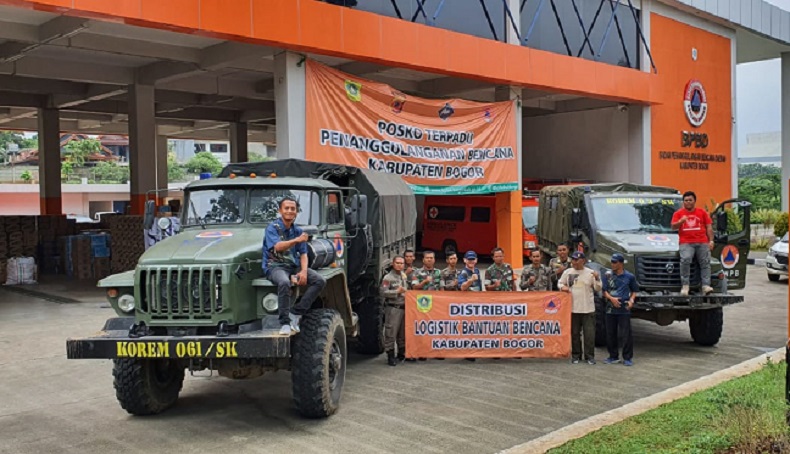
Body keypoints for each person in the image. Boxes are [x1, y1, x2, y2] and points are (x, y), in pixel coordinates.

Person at [263, 196, 327, 336]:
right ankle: (285, 322)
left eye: (293, 209)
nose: (290, 211)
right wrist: (297, 240)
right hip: (275, 267)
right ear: (280, 211)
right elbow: (278, 247)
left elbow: (303, 253)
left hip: (293, 266)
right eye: (286, 208)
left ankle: (296, 312)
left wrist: (303, 271)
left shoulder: (297, 230)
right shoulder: (272, 228)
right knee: (284, 282)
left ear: (296, 212)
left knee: (319, 280)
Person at [558, 251, 602, 365]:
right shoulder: (568, 272)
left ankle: (590, 356)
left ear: (583, 261)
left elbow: (598, 288)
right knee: (575, 334)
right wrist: (563, 287)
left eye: (577, 260)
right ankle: (576, 355)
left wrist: (597, 278)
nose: (574, 262)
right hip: (573, 308)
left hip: (588, 309)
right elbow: (560, 283)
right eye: (573, 260)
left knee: (589, 335)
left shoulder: (590, 273)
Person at [671, 191, 714, 296]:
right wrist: (681, 221)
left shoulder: (702, 212)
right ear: (683, 202)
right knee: (685, 260)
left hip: (702, 241)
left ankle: (706, 286)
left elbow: (709, 227)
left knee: (705, 262)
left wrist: (711, 240)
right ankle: (685, 286)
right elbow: (673, 227)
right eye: (686, 200)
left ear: (694, 201)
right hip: (686, 242)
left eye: (690, 200)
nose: (688, 202)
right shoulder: (678, 214)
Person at [602, 253, 639, 366]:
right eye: (612, 262)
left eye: (615, 262)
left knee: (626, 334)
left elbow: (634, 291)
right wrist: (611, 299)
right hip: (610, 309)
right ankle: (613, 356)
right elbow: (604, 291)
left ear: (621, 263)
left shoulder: (629, 276)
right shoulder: (607, 275)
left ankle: (627, 357)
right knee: (610, 333)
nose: (612, 264)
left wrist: (631, 300)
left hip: (624, 309)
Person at [381, 255, 408, 366]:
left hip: (404, 308)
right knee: (391, 332)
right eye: (397, 263)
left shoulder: (403, 276)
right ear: (393, 264)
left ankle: (401, 354)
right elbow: (383, 292)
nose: (400, 265)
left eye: (402, 263)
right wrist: (397, 292)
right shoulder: (388, 278)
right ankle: (390, 356)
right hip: (393, 308)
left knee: (402, 333)